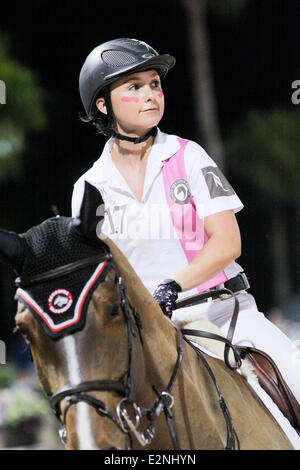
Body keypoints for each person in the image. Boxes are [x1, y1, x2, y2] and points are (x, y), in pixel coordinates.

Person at [72, 38, 300, 403]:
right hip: (148, 336)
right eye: (135, 87)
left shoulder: (188, 156)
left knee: (297, 376)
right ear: (102, 104)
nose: (151, 94)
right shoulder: (88, 187)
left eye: (155, 84)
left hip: (224, 317)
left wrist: (171, 286)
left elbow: (227, 242)